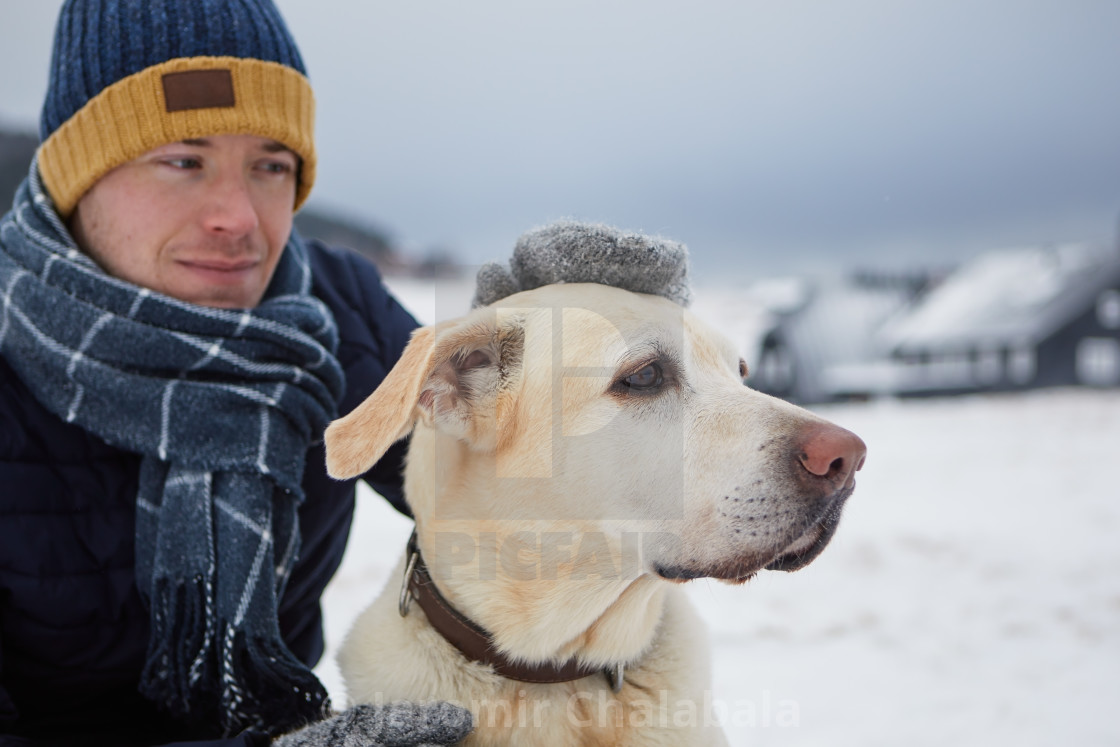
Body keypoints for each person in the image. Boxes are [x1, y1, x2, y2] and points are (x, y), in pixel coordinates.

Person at [0, 1, 471, 745]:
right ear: (75, 175)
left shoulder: (330, 305)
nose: (240, 217)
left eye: (271, 166)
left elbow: (511, 490)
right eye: (184, 160)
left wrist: (633, 364)